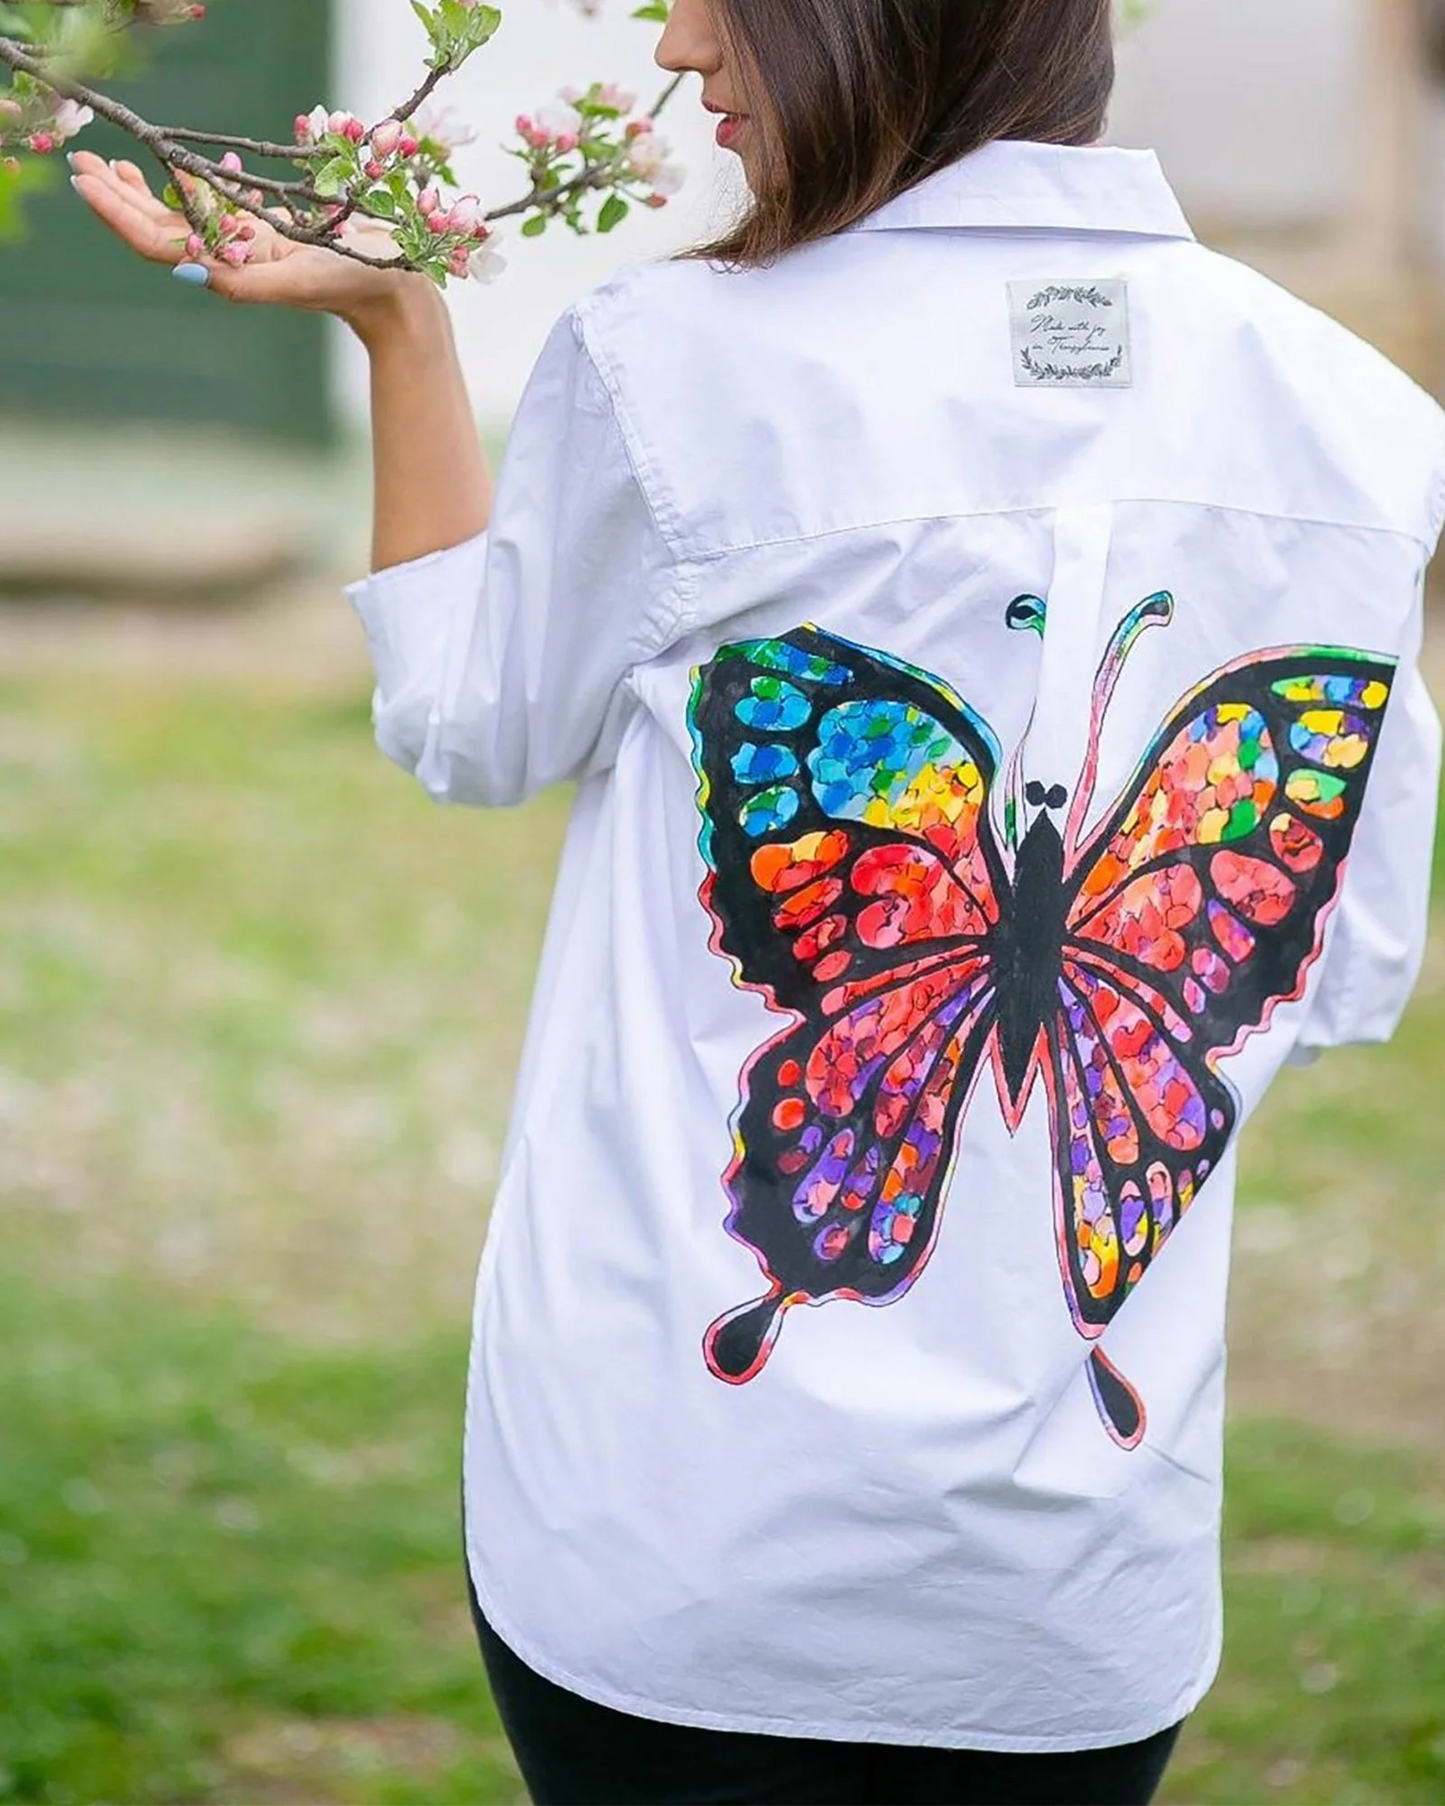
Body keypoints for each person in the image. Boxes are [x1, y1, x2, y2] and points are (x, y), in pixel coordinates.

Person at [72, 0, 1444, 1800]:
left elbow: (475, 725)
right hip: (1077, 1606)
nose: (675, 46)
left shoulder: (678, 369)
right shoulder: (1369, 435)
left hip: (673, 1549)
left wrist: (397, 324)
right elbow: (1339, 973)